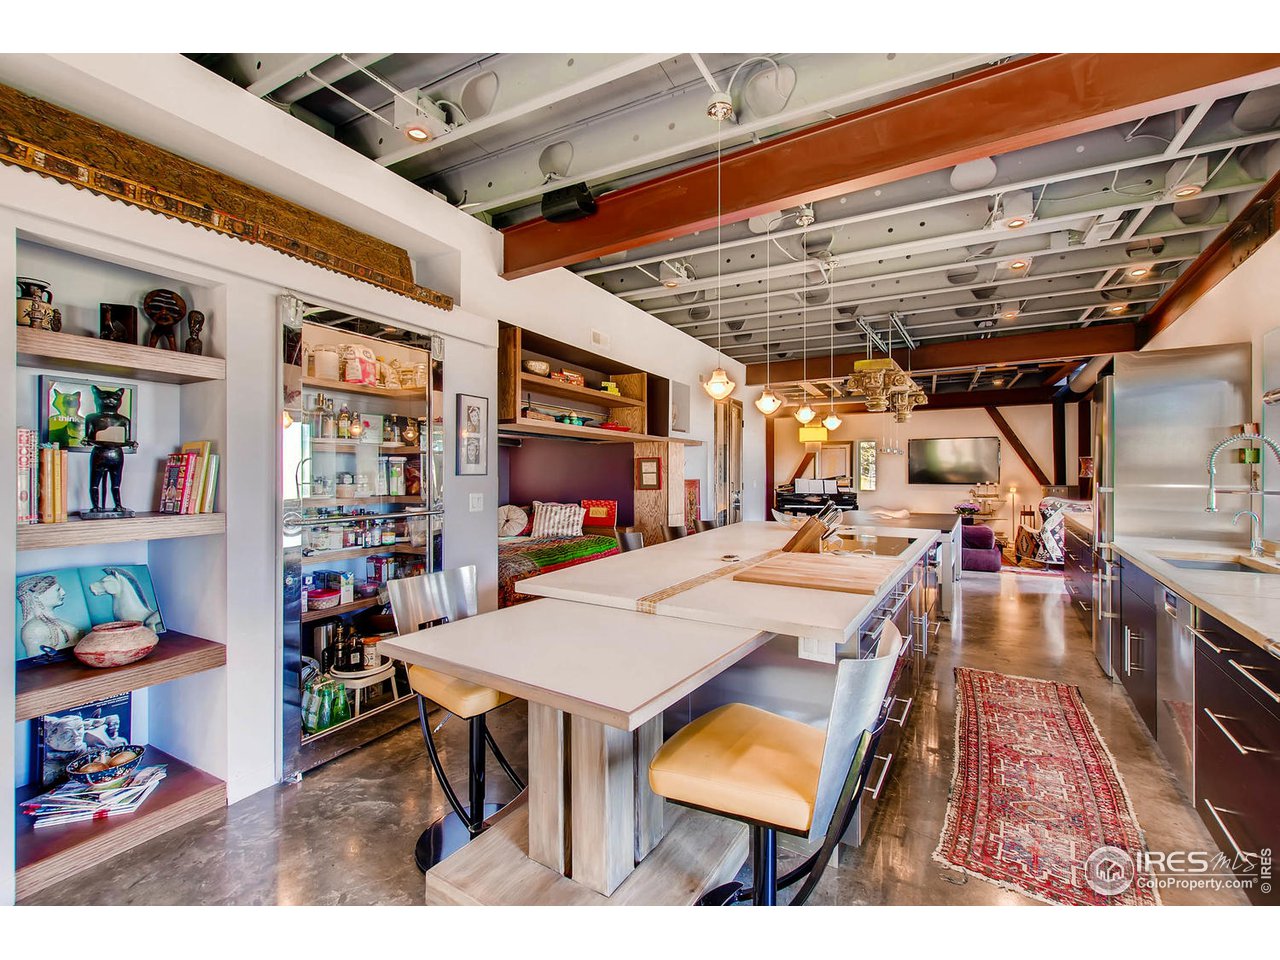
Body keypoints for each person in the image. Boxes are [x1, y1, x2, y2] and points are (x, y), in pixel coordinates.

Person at [17, 575, 83, 657]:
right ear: (37, 597)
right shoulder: (33, 629)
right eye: (57, 590)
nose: (63, 592)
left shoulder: (55, 622)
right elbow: (39, 661)